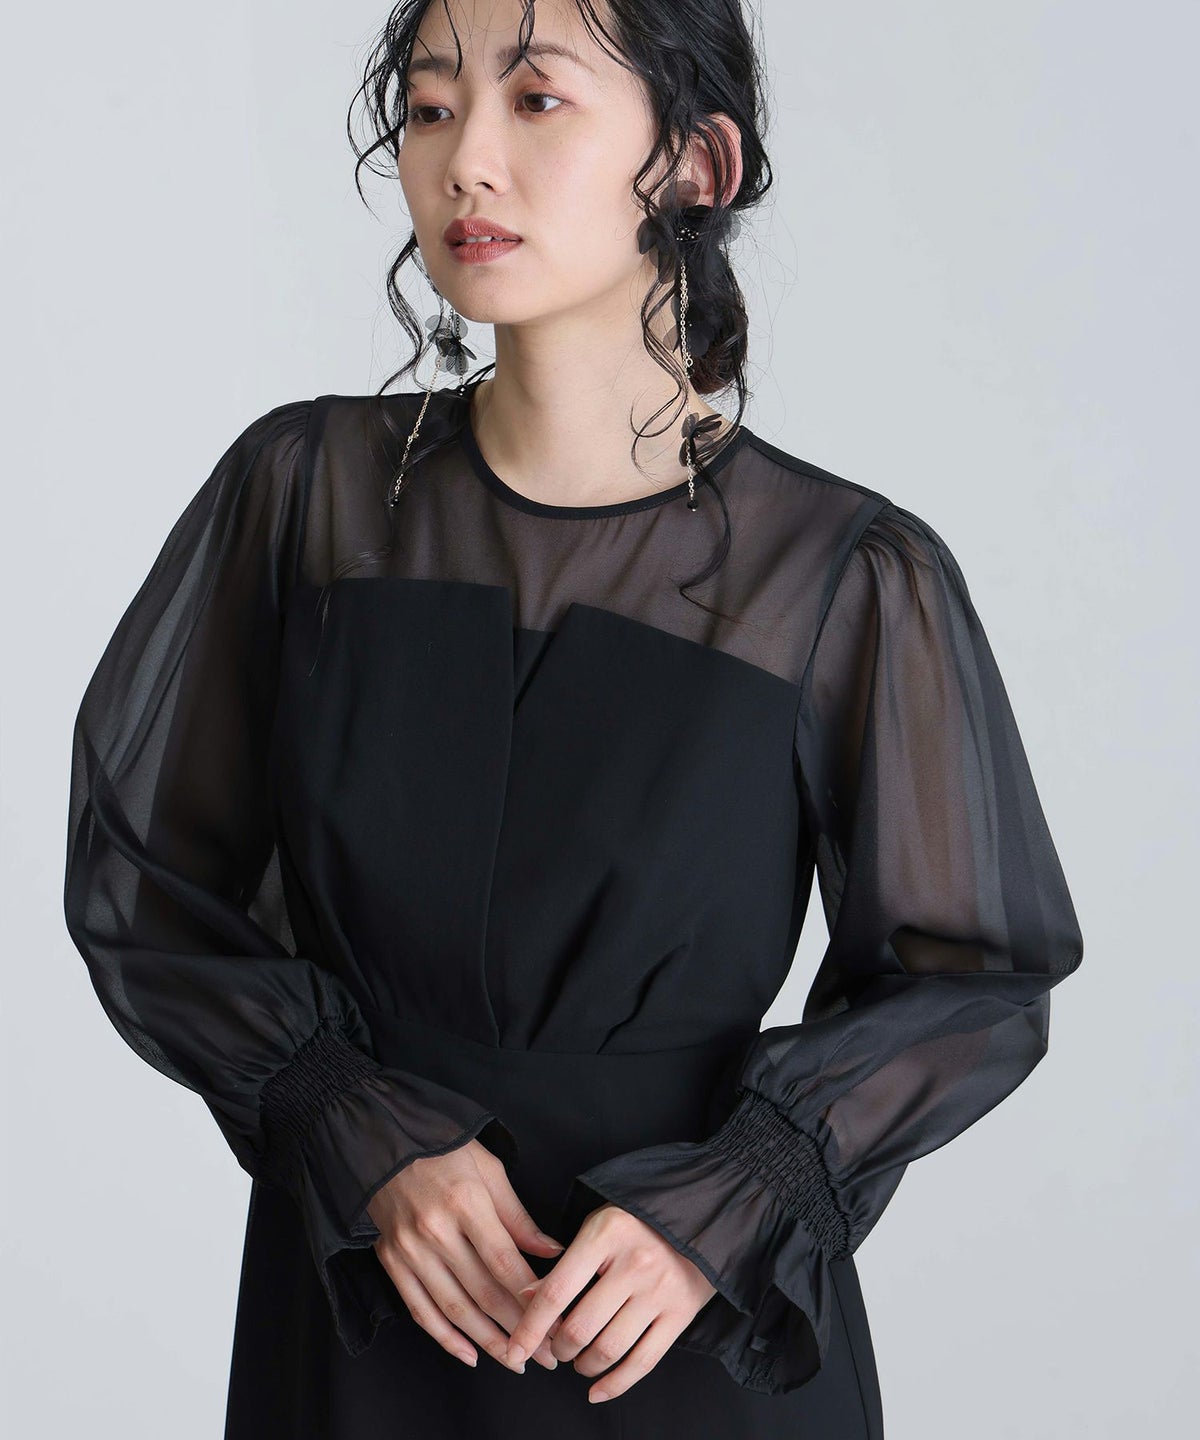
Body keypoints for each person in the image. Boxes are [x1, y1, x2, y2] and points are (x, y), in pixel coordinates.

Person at [62, 1, 1085, 1435]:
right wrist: (349, 1119)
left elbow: (977, 977)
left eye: (536, 101)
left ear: (698, 164)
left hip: (681, 1334)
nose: (465, 159)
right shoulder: (305, 497)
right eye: (430, 107)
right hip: (362, 1303)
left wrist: (741, 1198)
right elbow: (144, 879)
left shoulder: (841, 575)